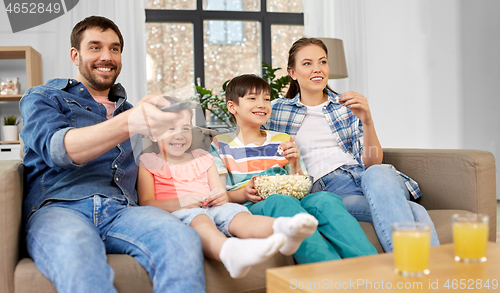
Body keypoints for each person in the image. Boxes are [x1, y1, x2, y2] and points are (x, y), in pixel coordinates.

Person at [20, 16, 205, 293]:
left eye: (115, 48)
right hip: (59, 209)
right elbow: (61, 149)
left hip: (122, 212)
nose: (106, 56)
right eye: (95, 47)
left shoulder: (132, 111)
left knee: (181, 238)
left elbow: (169, 159)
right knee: (77, 251)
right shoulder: (44, 97)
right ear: (75, 54)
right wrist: (131, 121)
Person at [266, 37, 440, 252]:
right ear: (292, 73)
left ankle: (408, 275)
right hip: (332, 191)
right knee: (415, 212)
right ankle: (430, 277)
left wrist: (367, 119)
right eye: (307, 63)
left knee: (377, 172)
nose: (317, 69)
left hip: (373, 180)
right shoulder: (276, 110)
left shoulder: (346, 105)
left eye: (322, 62)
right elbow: (245, 131)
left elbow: (371, 162)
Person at [210, 74, 378, 264]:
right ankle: (326, 272)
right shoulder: (221, 144)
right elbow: (221, 195)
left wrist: (295, 162)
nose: (262, 104)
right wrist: (245, 193)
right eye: (252, 98)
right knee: (280, 201)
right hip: (255, 206)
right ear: (233, 107)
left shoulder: (282, 139)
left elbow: (302, 183)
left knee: (325, 199)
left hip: (295, 198)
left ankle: (371, 266)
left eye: (266, 99)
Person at [136, 104, 318, 278]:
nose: (180, 135)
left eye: (185, 128)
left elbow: (220, 192)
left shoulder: (203, 158)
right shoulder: (148, 162)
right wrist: (181, 202)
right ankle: (228, 251)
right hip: (179, 211)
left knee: (238, 215)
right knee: (200, 219)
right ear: (153, 134)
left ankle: (283, 229)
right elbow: (146, 202)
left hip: (212, 207)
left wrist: (218, 196)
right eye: (170, 129)